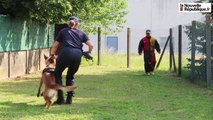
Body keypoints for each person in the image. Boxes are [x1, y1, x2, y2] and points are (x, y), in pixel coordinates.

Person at [51, 16, 94, 104]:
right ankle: (69, 99)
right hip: (78, 54)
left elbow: (55, 46)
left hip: (65, 52)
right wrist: (89, 52)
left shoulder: (63, 31)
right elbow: (91, 45)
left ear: (68, 23)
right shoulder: (82, 33)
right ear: (78, 24)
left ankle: (60, 99)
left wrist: (53, 55)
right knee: (70, 76)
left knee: (57, 73)